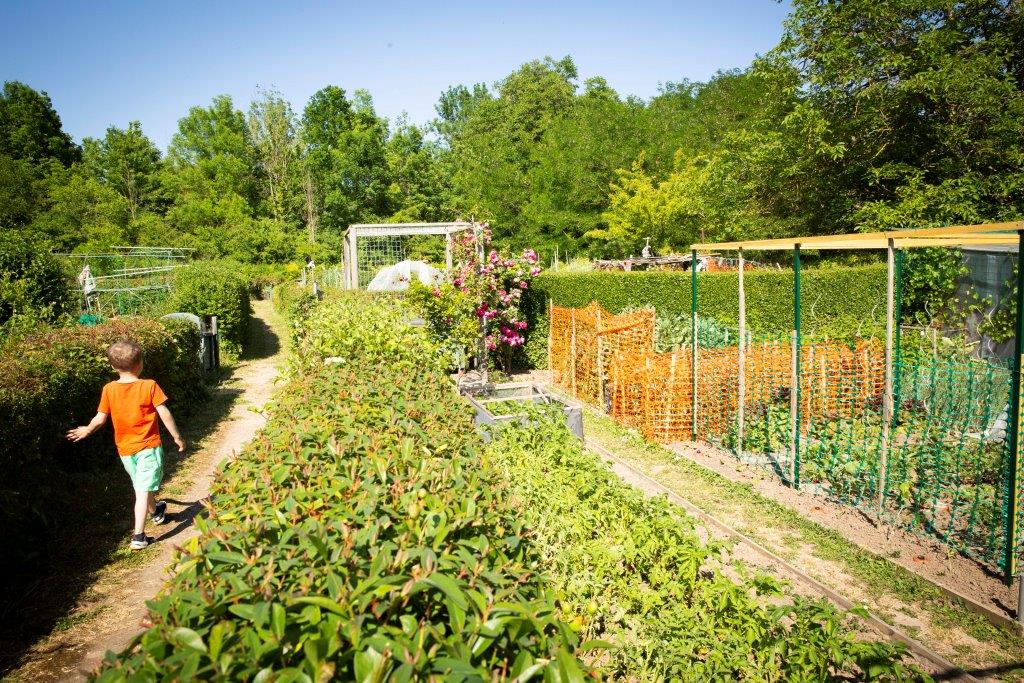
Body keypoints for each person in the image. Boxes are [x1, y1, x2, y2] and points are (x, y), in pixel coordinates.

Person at [67, 340, 186, 549]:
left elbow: (100, 417)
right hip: (148, 447)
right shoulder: (149, 385)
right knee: (141, 489)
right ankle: (139, 536)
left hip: (125, 450)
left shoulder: (109, 389)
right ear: (140, 364)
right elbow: (164, 412)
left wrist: (87, 429)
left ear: (113, 366)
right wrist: (176, 436)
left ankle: (156, 511)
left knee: (142, 485)